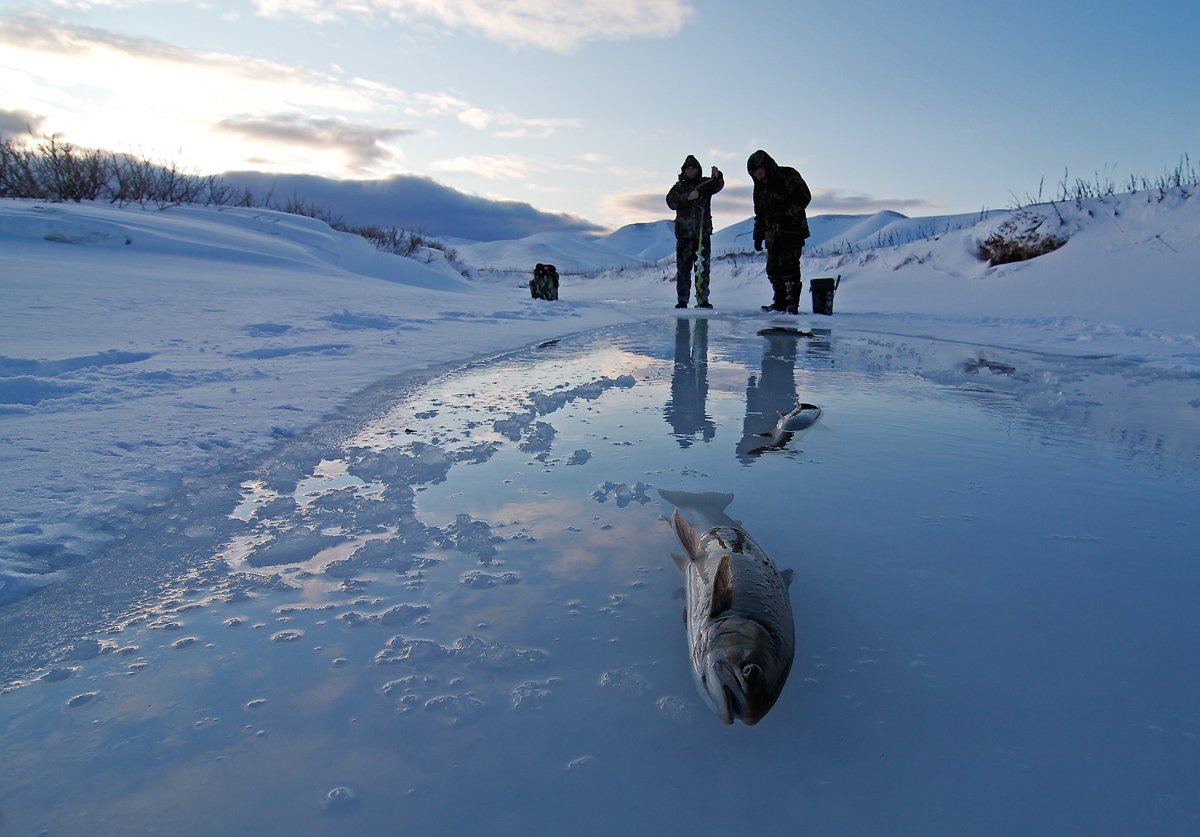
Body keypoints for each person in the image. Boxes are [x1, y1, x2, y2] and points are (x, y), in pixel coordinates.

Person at [747, 149, 812, 314]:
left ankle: (792, 305)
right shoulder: (759, 189)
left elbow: (804, 197)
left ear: (767, 167)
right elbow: (759, 214)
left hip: (792, 231)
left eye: (760, 172)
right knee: (773, 268)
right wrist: (758, 234)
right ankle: (779, 302)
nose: (759, 177)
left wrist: (786, 216)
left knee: (789, 267)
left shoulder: (788, 175)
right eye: (755, 175)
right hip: (772, 235)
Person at [665, 154, 723, 309]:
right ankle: (682, 300)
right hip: (684, 235)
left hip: (702, 235)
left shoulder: (705, 184)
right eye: (688, 169)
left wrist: (718, 176)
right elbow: (670, 202)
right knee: (683, 269)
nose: (690, 172)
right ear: (684, 171)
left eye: (693, 169)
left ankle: (702, 300)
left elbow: (717, 185)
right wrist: (687, 198)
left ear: (698, 170)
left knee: (702, 268)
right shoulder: (678, 187)